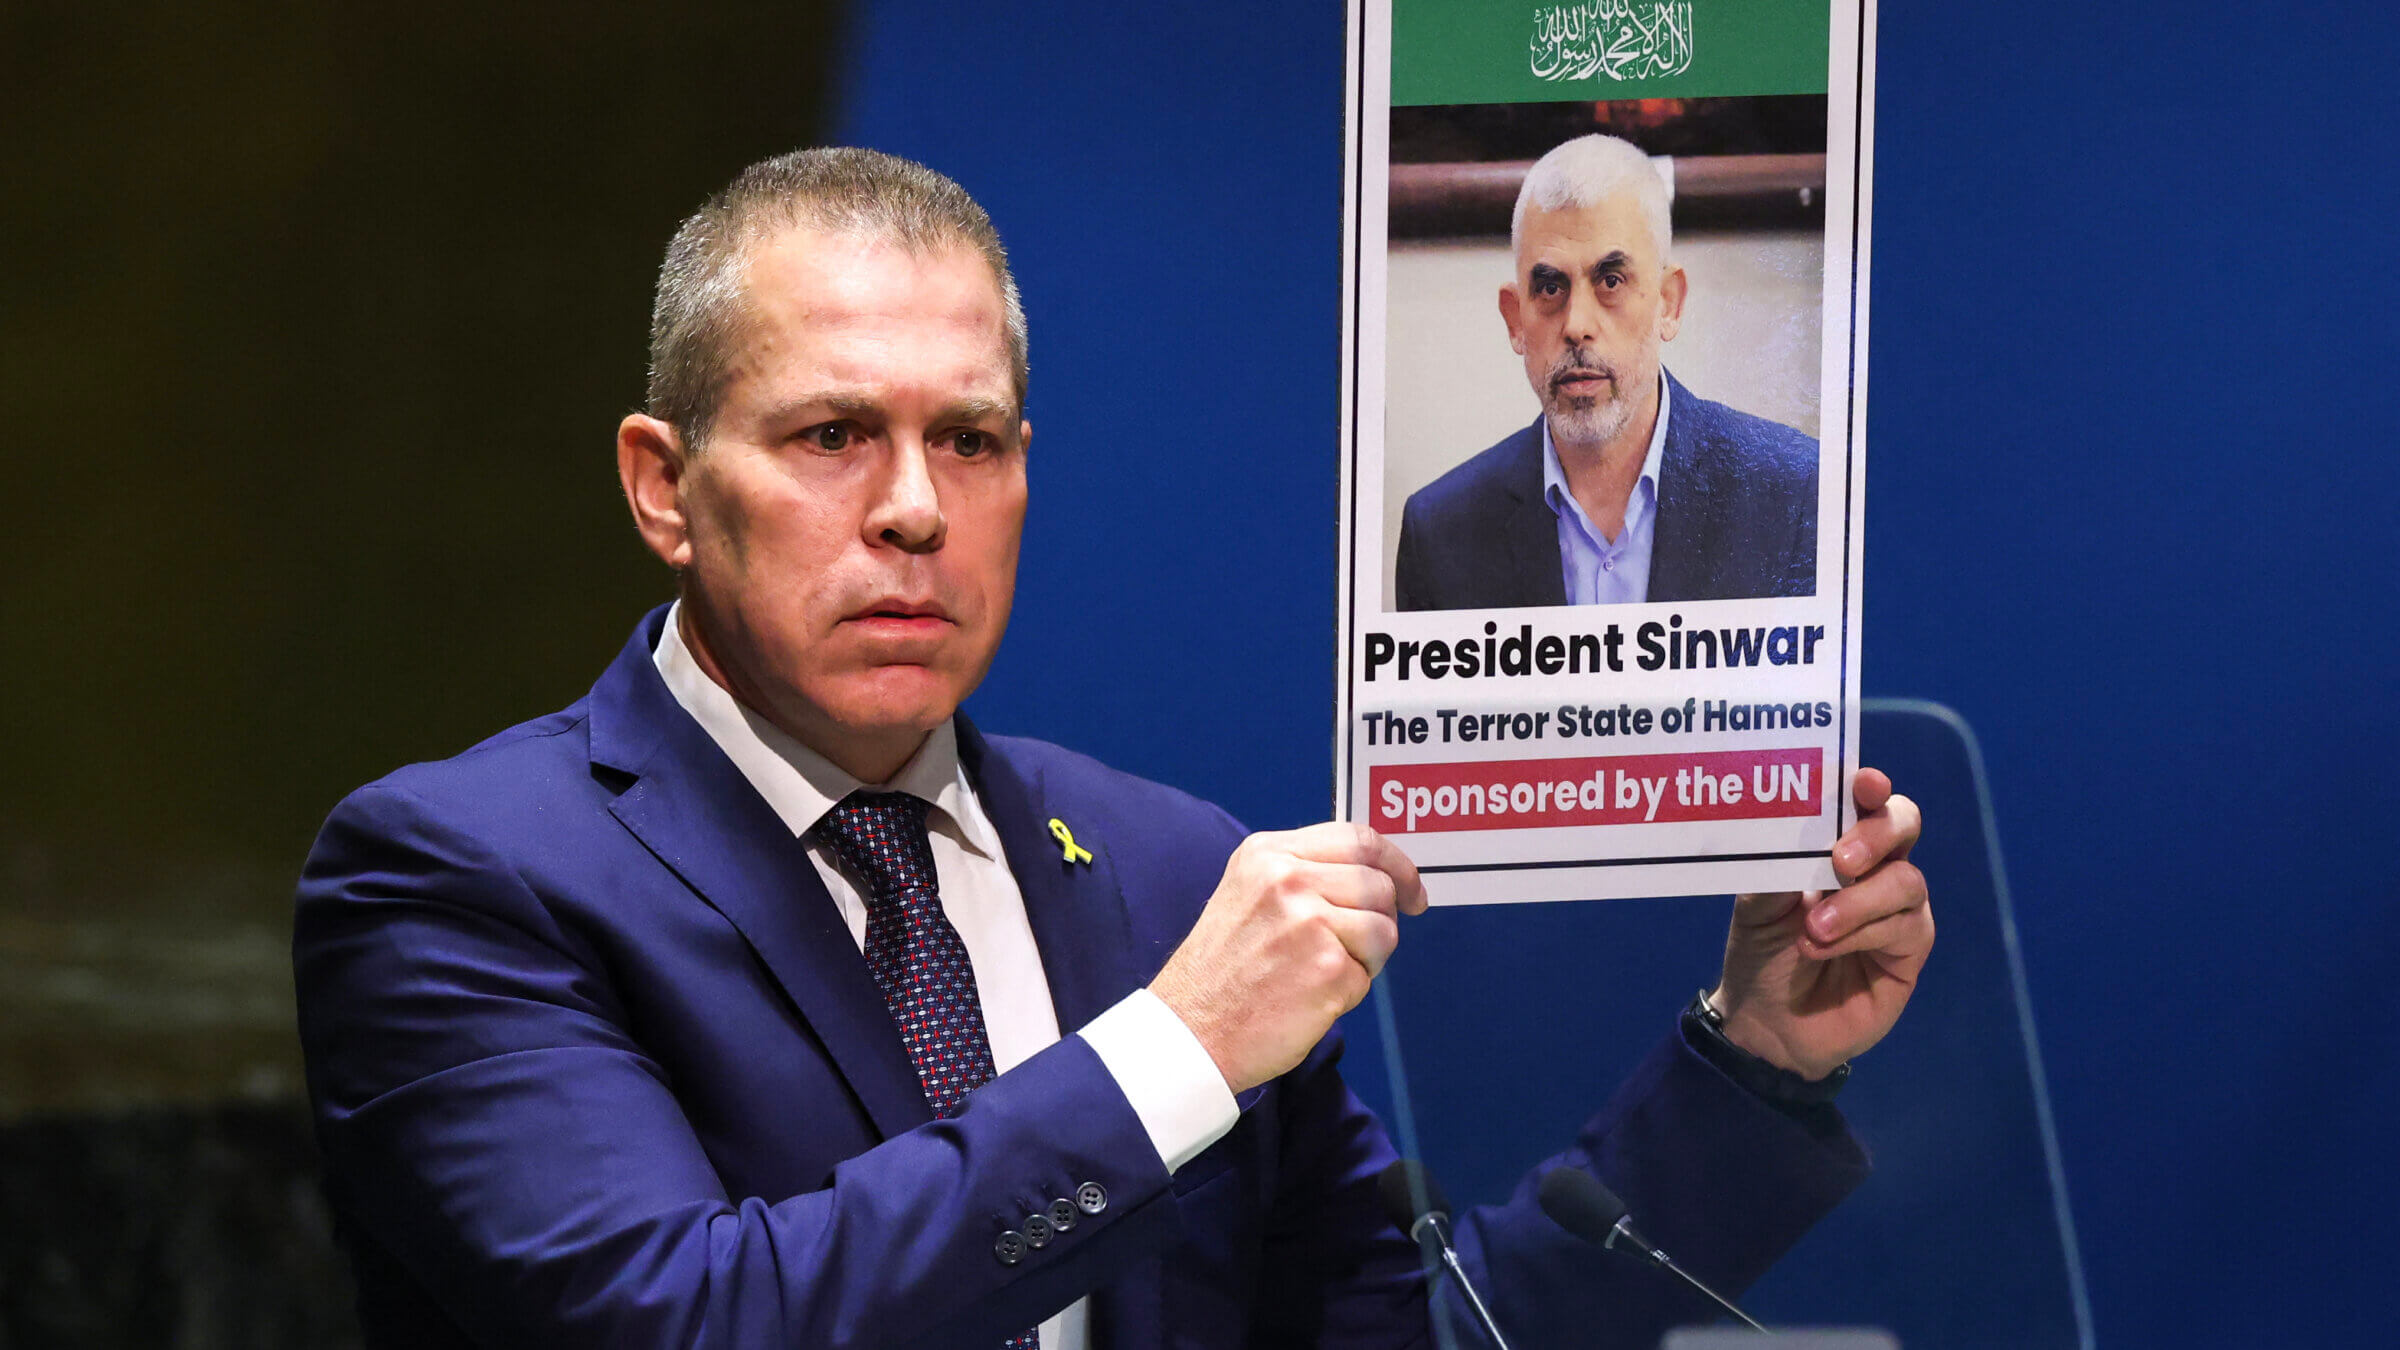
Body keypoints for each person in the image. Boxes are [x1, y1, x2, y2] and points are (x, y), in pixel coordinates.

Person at [293, 147, 1931, 1348]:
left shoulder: (1156, 870)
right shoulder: (464, 875)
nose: (917, 505)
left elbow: (1415, 1343)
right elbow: (684, 1322)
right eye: (831, 436)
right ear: (664, 487)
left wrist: (1752, 1060)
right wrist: (1173, 1054)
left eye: (972, 440)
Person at [1394, 133, 1820, 611]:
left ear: (1668, 303)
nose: (1577, 326)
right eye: (1551, 288)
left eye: (1611, 281)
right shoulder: (1439, 536)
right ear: (1516, 320)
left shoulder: (1794, 496)